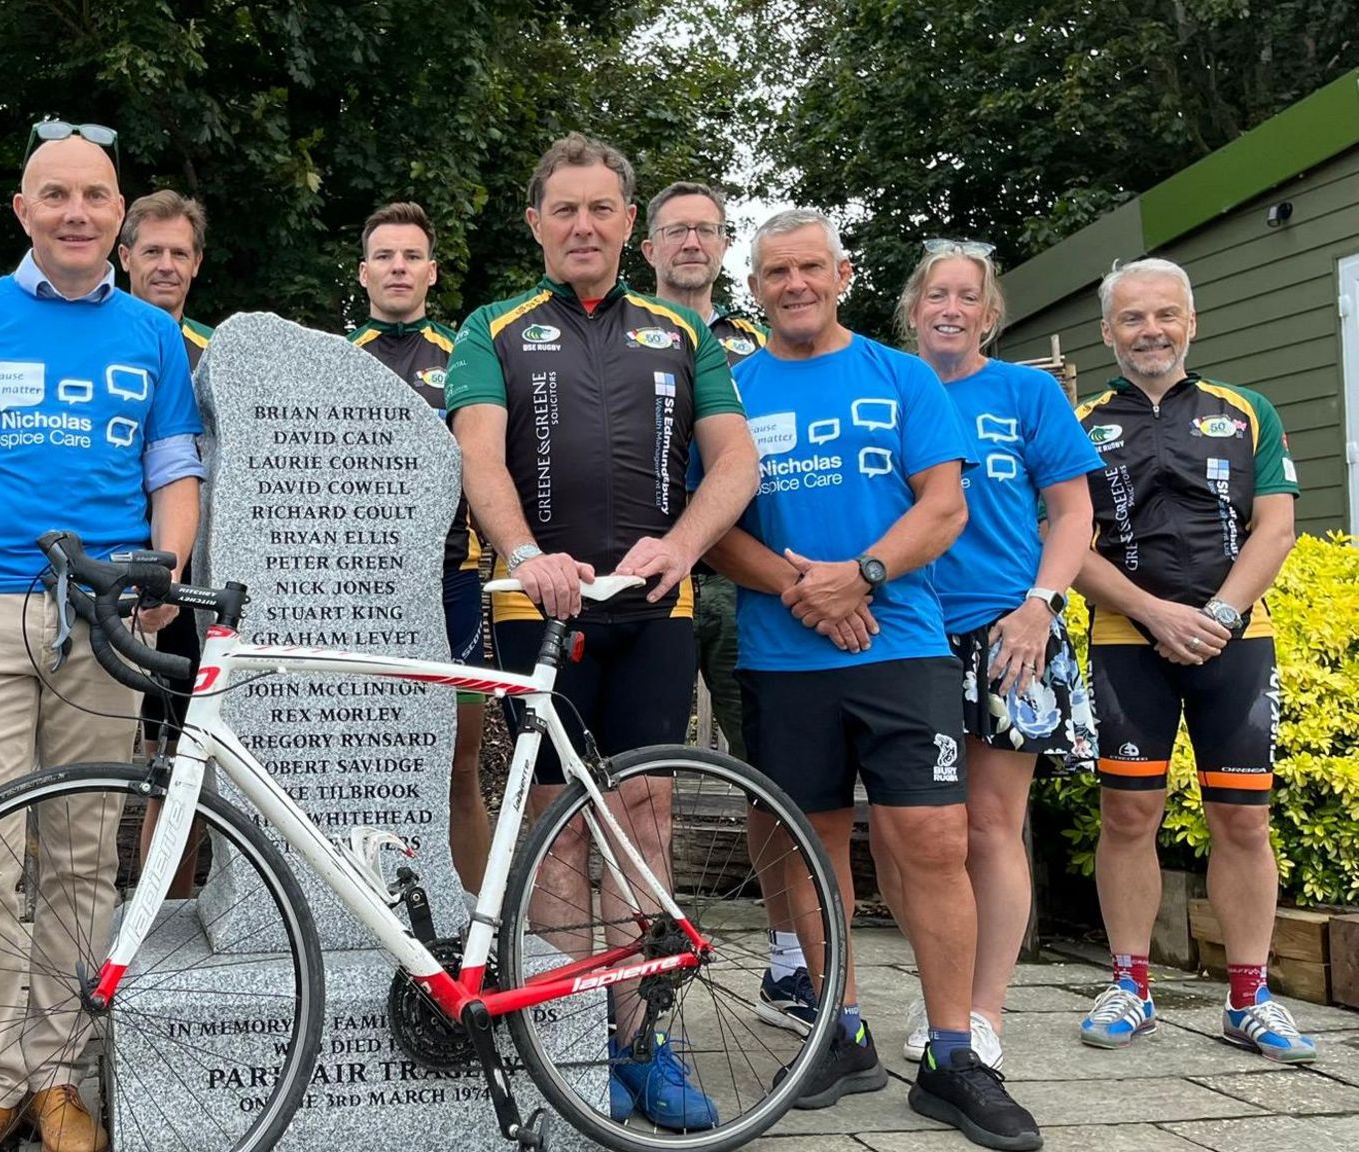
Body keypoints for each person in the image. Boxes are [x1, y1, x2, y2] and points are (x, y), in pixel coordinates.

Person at [0, 122, 204, 1152]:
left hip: (101, 616)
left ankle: (60, 1076)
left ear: (116, 214)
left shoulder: (149, 335)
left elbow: (174, 474)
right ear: (22, 211)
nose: (74, 213)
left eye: (93, 197)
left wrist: (166, 573)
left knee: (73, 856)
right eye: (53, 195)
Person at [701, 208, 1039, 1148]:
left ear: (843, 273)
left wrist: (866, 575)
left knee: (934, 840)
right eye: (775, 272)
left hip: (904, 648)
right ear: (755, 286)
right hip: (783, 654)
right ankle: (838, 1032)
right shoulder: (729, 392)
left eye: (811, 266)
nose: (795, 284)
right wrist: (808, 589)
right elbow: (716, 527)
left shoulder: (900, 378)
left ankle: (952, 1053)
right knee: (812, 848)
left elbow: (945, 506)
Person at [445, 133, 758, 1132]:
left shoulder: (677, 329)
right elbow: (477, 456)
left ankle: (639, 1043)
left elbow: (733, 461)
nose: (582, 226)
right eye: (562, 210)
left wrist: (684, 543)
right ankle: (566, 1040)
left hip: (650, 606)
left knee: (645, 819)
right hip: (534, 606)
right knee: (553, 829)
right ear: (534, 223)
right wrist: (523, 550)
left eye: (600, 210)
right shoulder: (490, 326)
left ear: (629, 224)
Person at [1072, 258, 1313, 1062]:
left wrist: (1215, 614)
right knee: (1127, 814)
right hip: (1125, 637)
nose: (1151, 331)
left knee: (1243, 819)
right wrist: (1151, 613)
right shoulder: (1079, 417)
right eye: (1133, 319)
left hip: (1232, 639)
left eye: (1166, 315)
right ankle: (1130, 986)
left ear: (1192, 322)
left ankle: (1250, 998)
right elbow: (1068, 541)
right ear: (1109, 332)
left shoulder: (1249, 410)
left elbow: (1274, 529)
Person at [884, 240, 1102, 1070]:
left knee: (990, 827)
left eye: (966, 297)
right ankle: (938, 983)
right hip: (903, 631)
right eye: (935, 294)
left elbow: (1073, 514)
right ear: (913, 308)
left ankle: (982, 1012)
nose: (949, 308)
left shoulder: (1028, 391)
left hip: (1008, 630)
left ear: (990, 313)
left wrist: (1039, 606)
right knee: (911, 833)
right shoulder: (887, 385)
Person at [638, 179, 815, 1035]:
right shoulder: (621, 330)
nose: (691, 245)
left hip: (747, 577)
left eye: (706, 231)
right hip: (654, 581)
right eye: (674, 231)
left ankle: (788, 960)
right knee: (649, 783)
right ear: (650, 247)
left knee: (765, 770)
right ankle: (646, 957)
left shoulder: (760, 342)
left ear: (724, 248)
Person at [346, 200, 492, 893]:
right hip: (363, 589)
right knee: (362, 762)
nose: (398, 267)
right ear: (364, 271)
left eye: (411, 256)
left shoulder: (466, 356)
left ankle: (481, 930)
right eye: (385, 256)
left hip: (451, 585)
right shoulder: (334, 361)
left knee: (460, 767)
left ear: (431, 272)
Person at [117, 189, 213, 766]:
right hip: (118, 569)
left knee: (181, 758)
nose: (166, 266)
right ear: (124, 256)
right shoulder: (97, 340)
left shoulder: (220, 354)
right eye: (152, 251)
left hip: (194, 579)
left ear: (196, 263)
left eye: (179, 253)